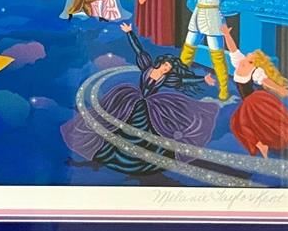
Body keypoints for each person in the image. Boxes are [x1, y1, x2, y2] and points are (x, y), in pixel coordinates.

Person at [60, 22, 217, 176]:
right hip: (133, 98)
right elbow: (138, 50)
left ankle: (148, 156)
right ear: (161, 63)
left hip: (149, 105)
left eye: (169, 68)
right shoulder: (147, 66)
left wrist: (203, 79)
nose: (166, 69)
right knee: (119, 119)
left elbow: (184, 80)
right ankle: (111, 151)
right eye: (165, 65)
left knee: (151, 127)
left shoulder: (168, 78)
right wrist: (130, 33)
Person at [221, 24, 288, 161]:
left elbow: (266, 81)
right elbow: (233, 49)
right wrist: (227, 34)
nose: (246, 59)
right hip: (248, 103)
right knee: (240, 125)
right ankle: (261, 145)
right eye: (247, 57)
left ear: (254, 64)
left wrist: (279, 88)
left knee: (272, 123)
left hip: (256, 101)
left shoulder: (256, 71)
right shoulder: (239, 62)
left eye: (250, 60)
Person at [180, 0, 238, 100]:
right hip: (198, 14)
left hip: (212, 18)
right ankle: (179, 79)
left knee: (217, 55)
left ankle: (224, 89)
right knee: (187, 50)